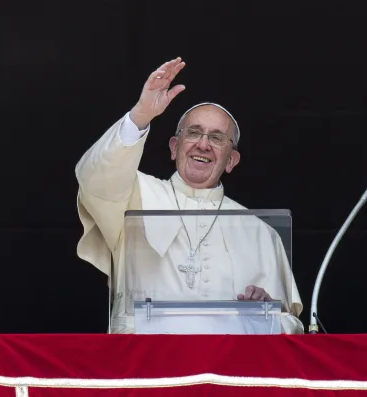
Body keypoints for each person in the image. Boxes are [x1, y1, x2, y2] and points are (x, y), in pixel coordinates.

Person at [75, 57, 304, 334]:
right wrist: (141, 115)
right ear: (174, 147)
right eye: (194, 133)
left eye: (217, 138)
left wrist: (267, 315)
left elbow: (292, 328)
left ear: (231, 160)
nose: (204, 144)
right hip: (147, 367)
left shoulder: (260, 232)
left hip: (227, 370)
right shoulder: (135, 196)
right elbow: (94, 177)